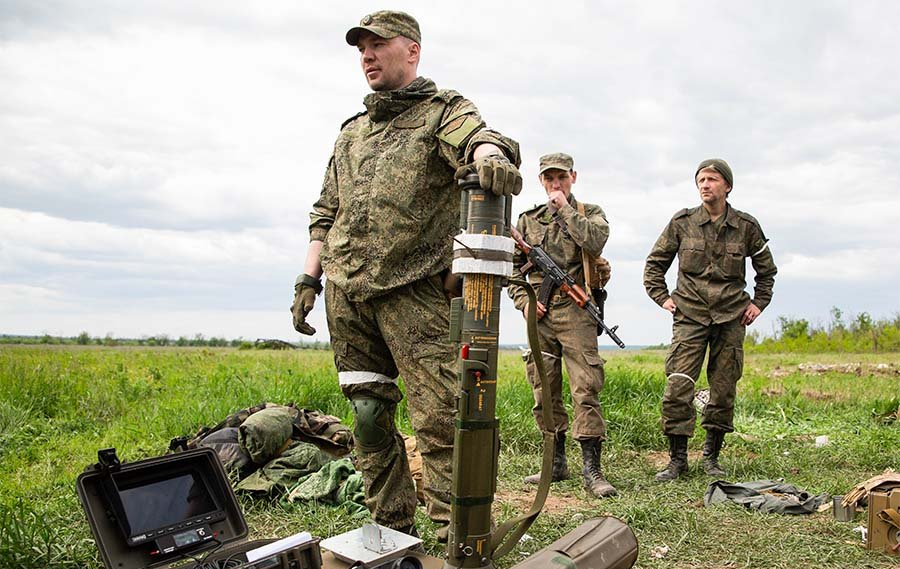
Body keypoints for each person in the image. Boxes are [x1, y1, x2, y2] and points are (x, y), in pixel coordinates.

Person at [290, 10, 521, 538]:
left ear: (412, 50)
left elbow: (480, 140)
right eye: (361, 49)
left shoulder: (443, 111)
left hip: (413, 293)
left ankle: (452, 537)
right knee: (369, 418)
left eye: (378, 45)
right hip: (347, 295)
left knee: (441, 422)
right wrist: (308, 279)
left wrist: (490, 155)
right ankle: (391, 528)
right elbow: (326, 211)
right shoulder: (351, 133)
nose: (367, 56)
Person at [643, 158, 777, 481]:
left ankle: (711, 457)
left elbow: (767, 272)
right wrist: (663, 298)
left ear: (727, 186)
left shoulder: (746, 226)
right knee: (678, 385)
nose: (705, 185)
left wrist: (758, 303)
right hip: (689, 315)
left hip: (731, 317)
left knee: (723, 388)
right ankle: (677, 460)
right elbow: (653, 266)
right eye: (701, 179)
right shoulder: (682, 222)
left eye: (712, 179)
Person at [507, 153, 617, 498]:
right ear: (541, 181)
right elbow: (511, 268)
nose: (555, 184)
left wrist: (564, 209)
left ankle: (592, 469)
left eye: (561, 178)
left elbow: (595, 242)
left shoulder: (590, 214)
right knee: (544, 387)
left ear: (573, 177)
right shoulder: (527, 220)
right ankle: (554, 464)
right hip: (539, 313)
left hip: (576, 310)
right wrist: (526, 303)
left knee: (585, 386)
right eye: (549, 179)